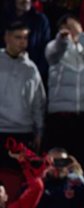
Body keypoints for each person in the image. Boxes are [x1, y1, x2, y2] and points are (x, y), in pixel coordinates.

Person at [44, 14, 84, 179]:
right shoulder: (53, 46)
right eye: (67, 27)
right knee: (60, 163)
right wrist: (63, 39)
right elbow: (53, 54)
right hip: (61, 115)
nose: (71, 31)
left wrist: (82, 37)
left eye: (74, 27)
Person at [0, 21, 45, 169]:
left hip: (23, 133)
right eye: (18, 37)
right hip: (1, 129)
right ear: (7, 37)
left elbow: (38, 103)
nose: (22, 42)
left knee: (21, 182)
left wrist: (39, 131)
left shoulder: (31, 69)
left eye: (25, 38)